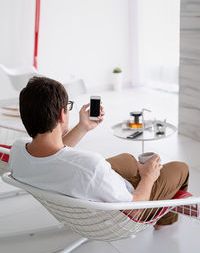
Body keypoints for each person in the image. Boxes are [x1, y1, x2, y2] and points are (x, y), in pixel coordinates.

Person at [9, 76, 189, 229]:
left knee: (128, 159)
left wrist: (83, 127)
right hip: (124, 209)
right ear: (62, 116)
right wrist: (148, 176)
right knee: (180, 168)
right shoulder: (89, 166)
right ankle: (163, 221)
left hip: (81, 190)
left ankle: (139, 174)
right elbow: (135, 209)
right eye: (68, 107)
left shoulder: (17, 151)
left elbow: (54, 153)